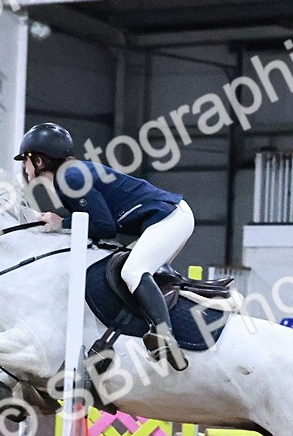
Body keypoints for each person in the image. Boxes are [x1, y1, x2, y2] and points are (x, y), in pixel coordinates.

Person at [15, 122, 193, 370]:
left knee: (132, 271)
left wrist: (61, 222)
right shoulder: (70, 175)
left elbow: (104, 227)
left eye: (25, 160)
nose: (23, 167)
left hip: (169, 218)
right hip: (163, 219)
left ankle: (164, 335)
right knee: (122, 277)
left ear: (39, 160)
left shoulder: (70, 178)